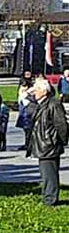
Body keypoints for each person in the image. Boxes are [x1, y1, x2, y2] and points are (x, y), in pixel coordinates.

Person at [29, 77, 68, 206]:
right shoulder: (42, 103)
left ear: (44, 91)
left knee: (49, 174)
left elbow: (61, 125)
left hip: (49, 144)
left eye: (36, 90)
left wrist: (60, 141)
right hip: (44, 143)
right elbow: (29, 109)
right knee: (45, 174)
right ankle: (47, 196)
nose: (34, 92)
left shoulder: (53, 104)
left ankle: (50, 199)